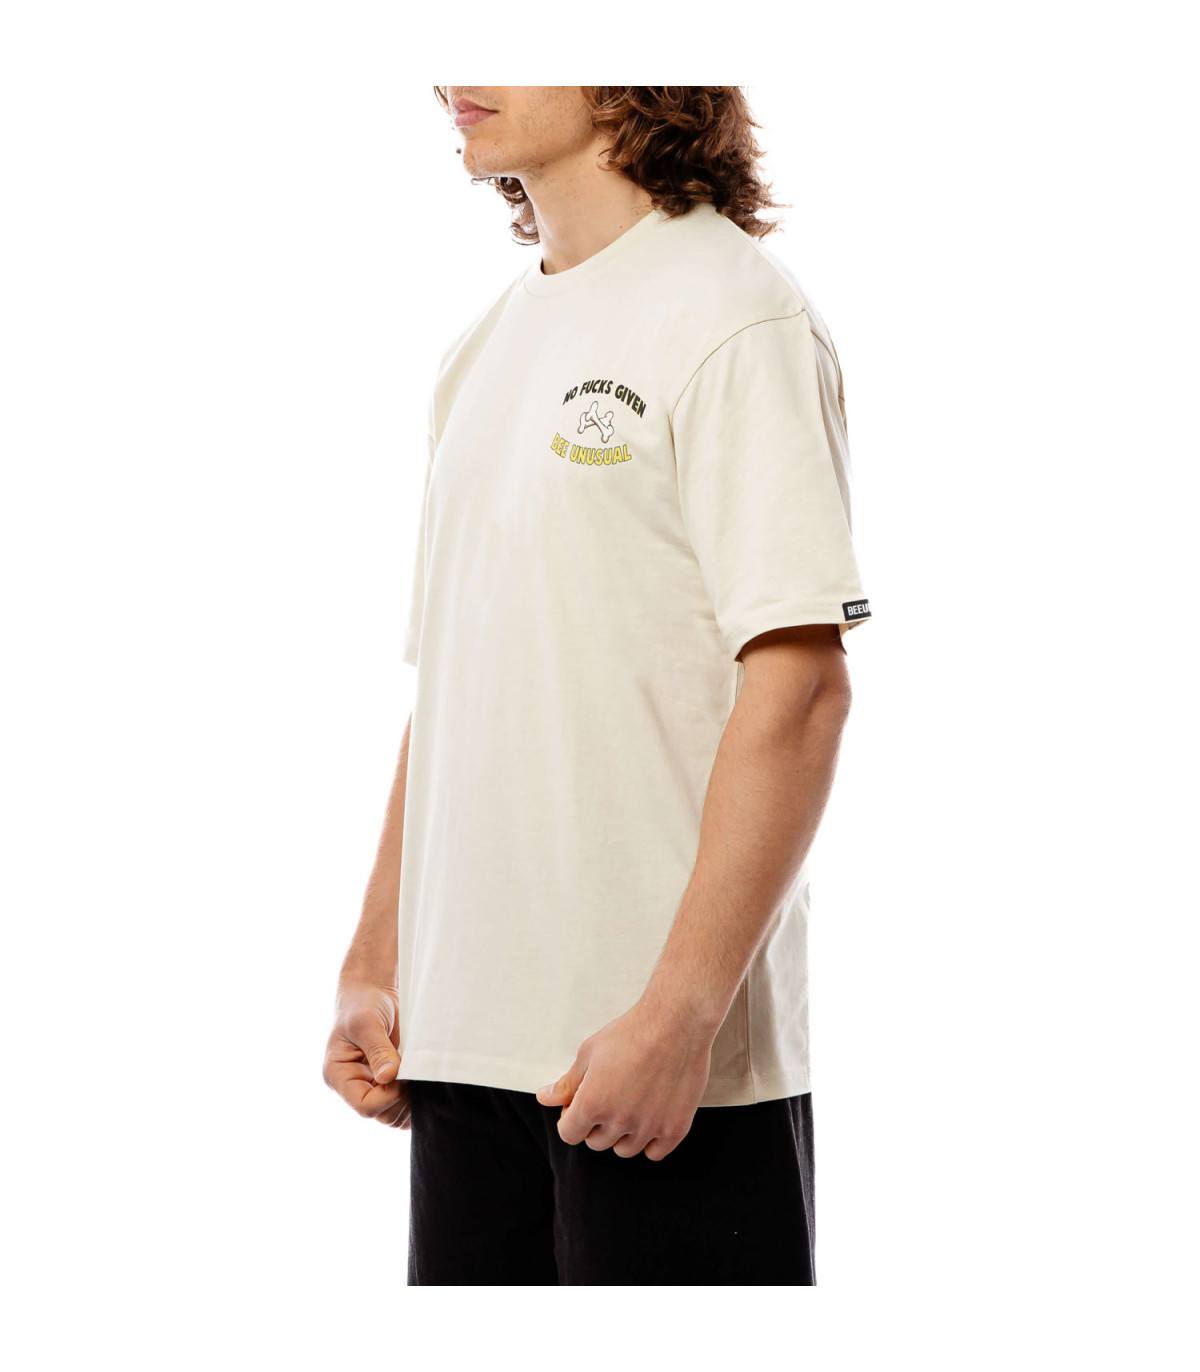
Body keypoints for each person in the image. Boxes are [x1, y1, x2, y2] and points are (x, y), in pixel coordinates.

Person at [322, 86, 872, 1286]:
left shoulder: (734, 313)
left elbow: (800, 689)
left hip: (664, 1074)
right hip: (464, 1059)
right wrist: (377, 960)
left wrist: (679, 1018)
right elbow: (456, 682)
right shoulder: (483, 348)